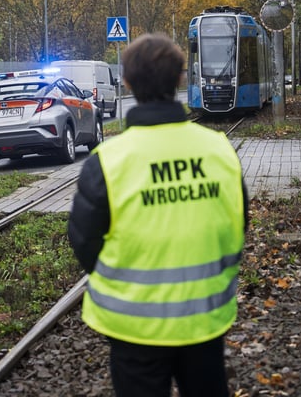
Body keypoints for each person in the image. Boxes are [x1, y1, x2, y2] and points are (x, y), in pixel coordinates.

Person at [68, 33, 248, 397]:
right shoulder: (219, 150)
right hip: (205, 317)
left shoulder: (108, 161)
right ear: (181, 78)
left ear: (127, 83)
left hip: (133, 326)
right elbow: (239, 220)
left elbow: (84, 241)